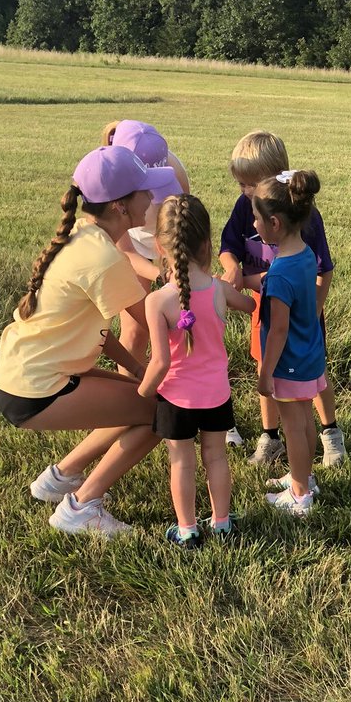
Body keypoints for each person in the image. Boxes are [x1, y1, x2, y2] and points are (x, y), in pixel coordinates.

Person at [0, 145, 179, 536]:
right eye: (145, 191)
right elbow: (159, 322)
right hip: (36, 390)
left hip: (24, 375)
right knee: (164, 413)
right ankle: (80, 506)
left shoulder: (85, 237)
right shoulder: (105, 259)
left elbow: (100, 331)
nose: (152, 198)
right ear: (120, 208)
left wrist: (140, 370)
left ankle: (60, 478)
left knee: (143, 397)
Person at [219, 130, 346, 467]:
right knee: (268, 366)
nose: (245, 192)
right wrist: (232, 268)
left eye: (250, 184)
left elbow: (325, 270)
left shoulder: (306, 219)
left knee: (313, 375)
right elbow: (228, 245)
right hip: (268, 306)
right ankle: (269, 437)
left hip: (303, 311)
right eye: (241, 185)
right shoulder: (246, 207)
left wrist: (312, 314)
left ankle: (331, 433)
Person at [137, 194, 255, 548]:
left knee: (181, 463)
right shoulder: (219, 290)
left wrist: (142, 393)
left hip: (175, 398)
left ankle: (187, 529)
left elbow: (160, 363)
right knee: (216, 457)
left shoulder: (157, 301)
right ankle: (222, 523)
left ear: (159, 245)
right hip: (216, 394)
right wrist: (241, 280)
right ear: (207, 243)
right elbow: (250, 306)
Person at [252, 170, 328, 516]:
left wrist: (265, 373)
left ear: (274, 223)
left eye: (256, 218)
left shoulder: (280, 272)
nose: (254, 225)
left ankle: (300, 497)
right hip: (310, 356)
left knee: (293, 427)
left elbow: (278, 331)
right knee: (305, 420)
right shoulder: (306, 254)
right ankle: (304, 477)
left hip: (289, 363)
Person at [99, 120, 188, 366]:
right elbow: (125, 251)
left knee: (173, 322)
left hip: (164, 243)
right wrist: (160, 275)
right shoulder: (109, 188)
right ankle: (132, 393)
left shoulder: (174, 170)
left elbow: (181, 229)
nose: (152, 198)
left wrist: (175, 269)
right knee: (137, 330)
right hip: (131, 247)